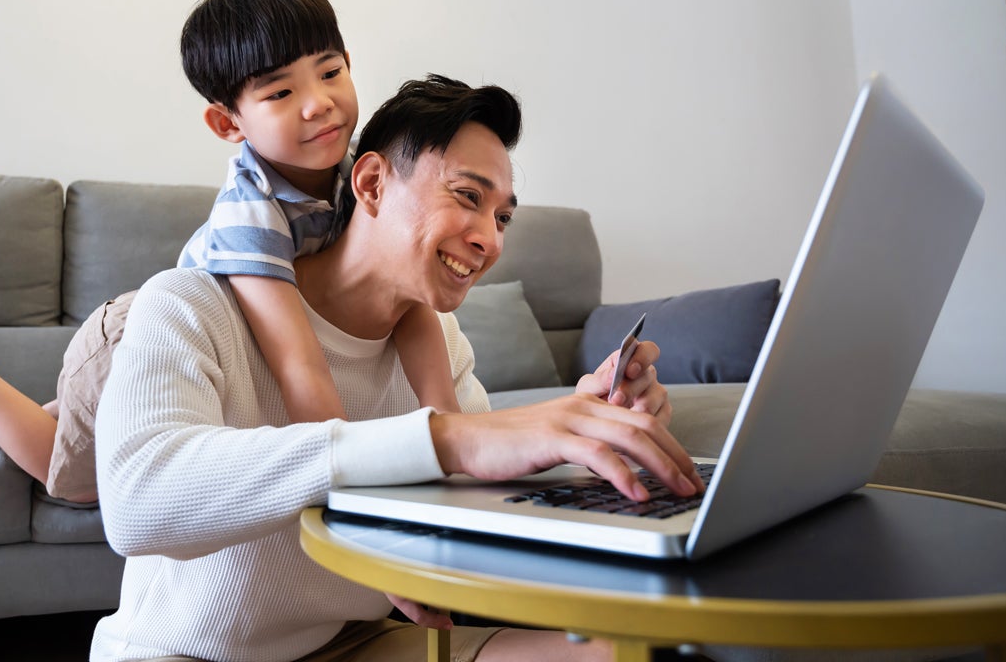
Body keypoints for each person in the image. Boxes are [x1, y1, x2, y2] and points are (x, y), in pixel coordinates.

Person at [89, 74, 703, 662]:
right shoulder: (192, 301)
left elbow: (478, 493)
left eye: (503, 216)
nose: (490, 239)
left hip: (355, 643)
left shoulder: (441, 339)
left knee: (635, 655)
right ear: (374, 183)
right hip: (180, 652)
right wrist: (441, 438)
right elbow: (134, 501)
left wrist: (590, 431)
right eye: (468, 197)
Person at [0, 0, 459, 504]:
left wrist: (454, 436)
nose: (320, 103)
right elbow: (299, 366)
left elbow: (406, 300)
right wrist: (354, 490)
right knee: (77, 479)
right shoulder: (251, 214)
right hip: (135, 337)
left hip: (204, 350)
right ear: (227, 123)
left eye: (331, 71)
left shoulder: (362, 172)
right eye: (280, 92)